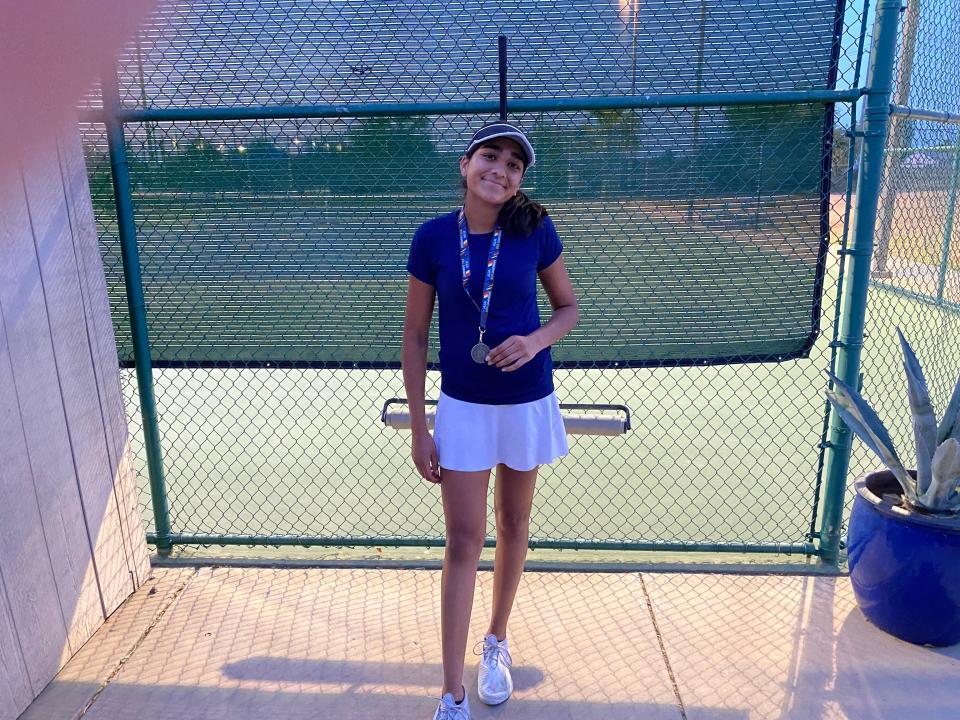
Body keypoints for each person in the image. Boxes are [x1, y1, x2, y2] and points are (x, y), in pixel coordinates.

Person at [402, 121, 579, 719]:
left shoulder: (533, 230)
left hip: (526, 399)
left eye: (513, 164)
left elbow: (568, 309)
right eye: (490, 157)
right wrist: (422, 427)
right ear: (465, 164)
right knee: (462, 540)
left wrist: (534, 343)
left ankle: (496, 642)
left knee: (513, 523)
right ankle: (452, 694)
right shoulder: (431, 238)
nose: (499, 170)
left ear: (520, 180)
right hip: (463, 407)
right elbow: (416, 334)